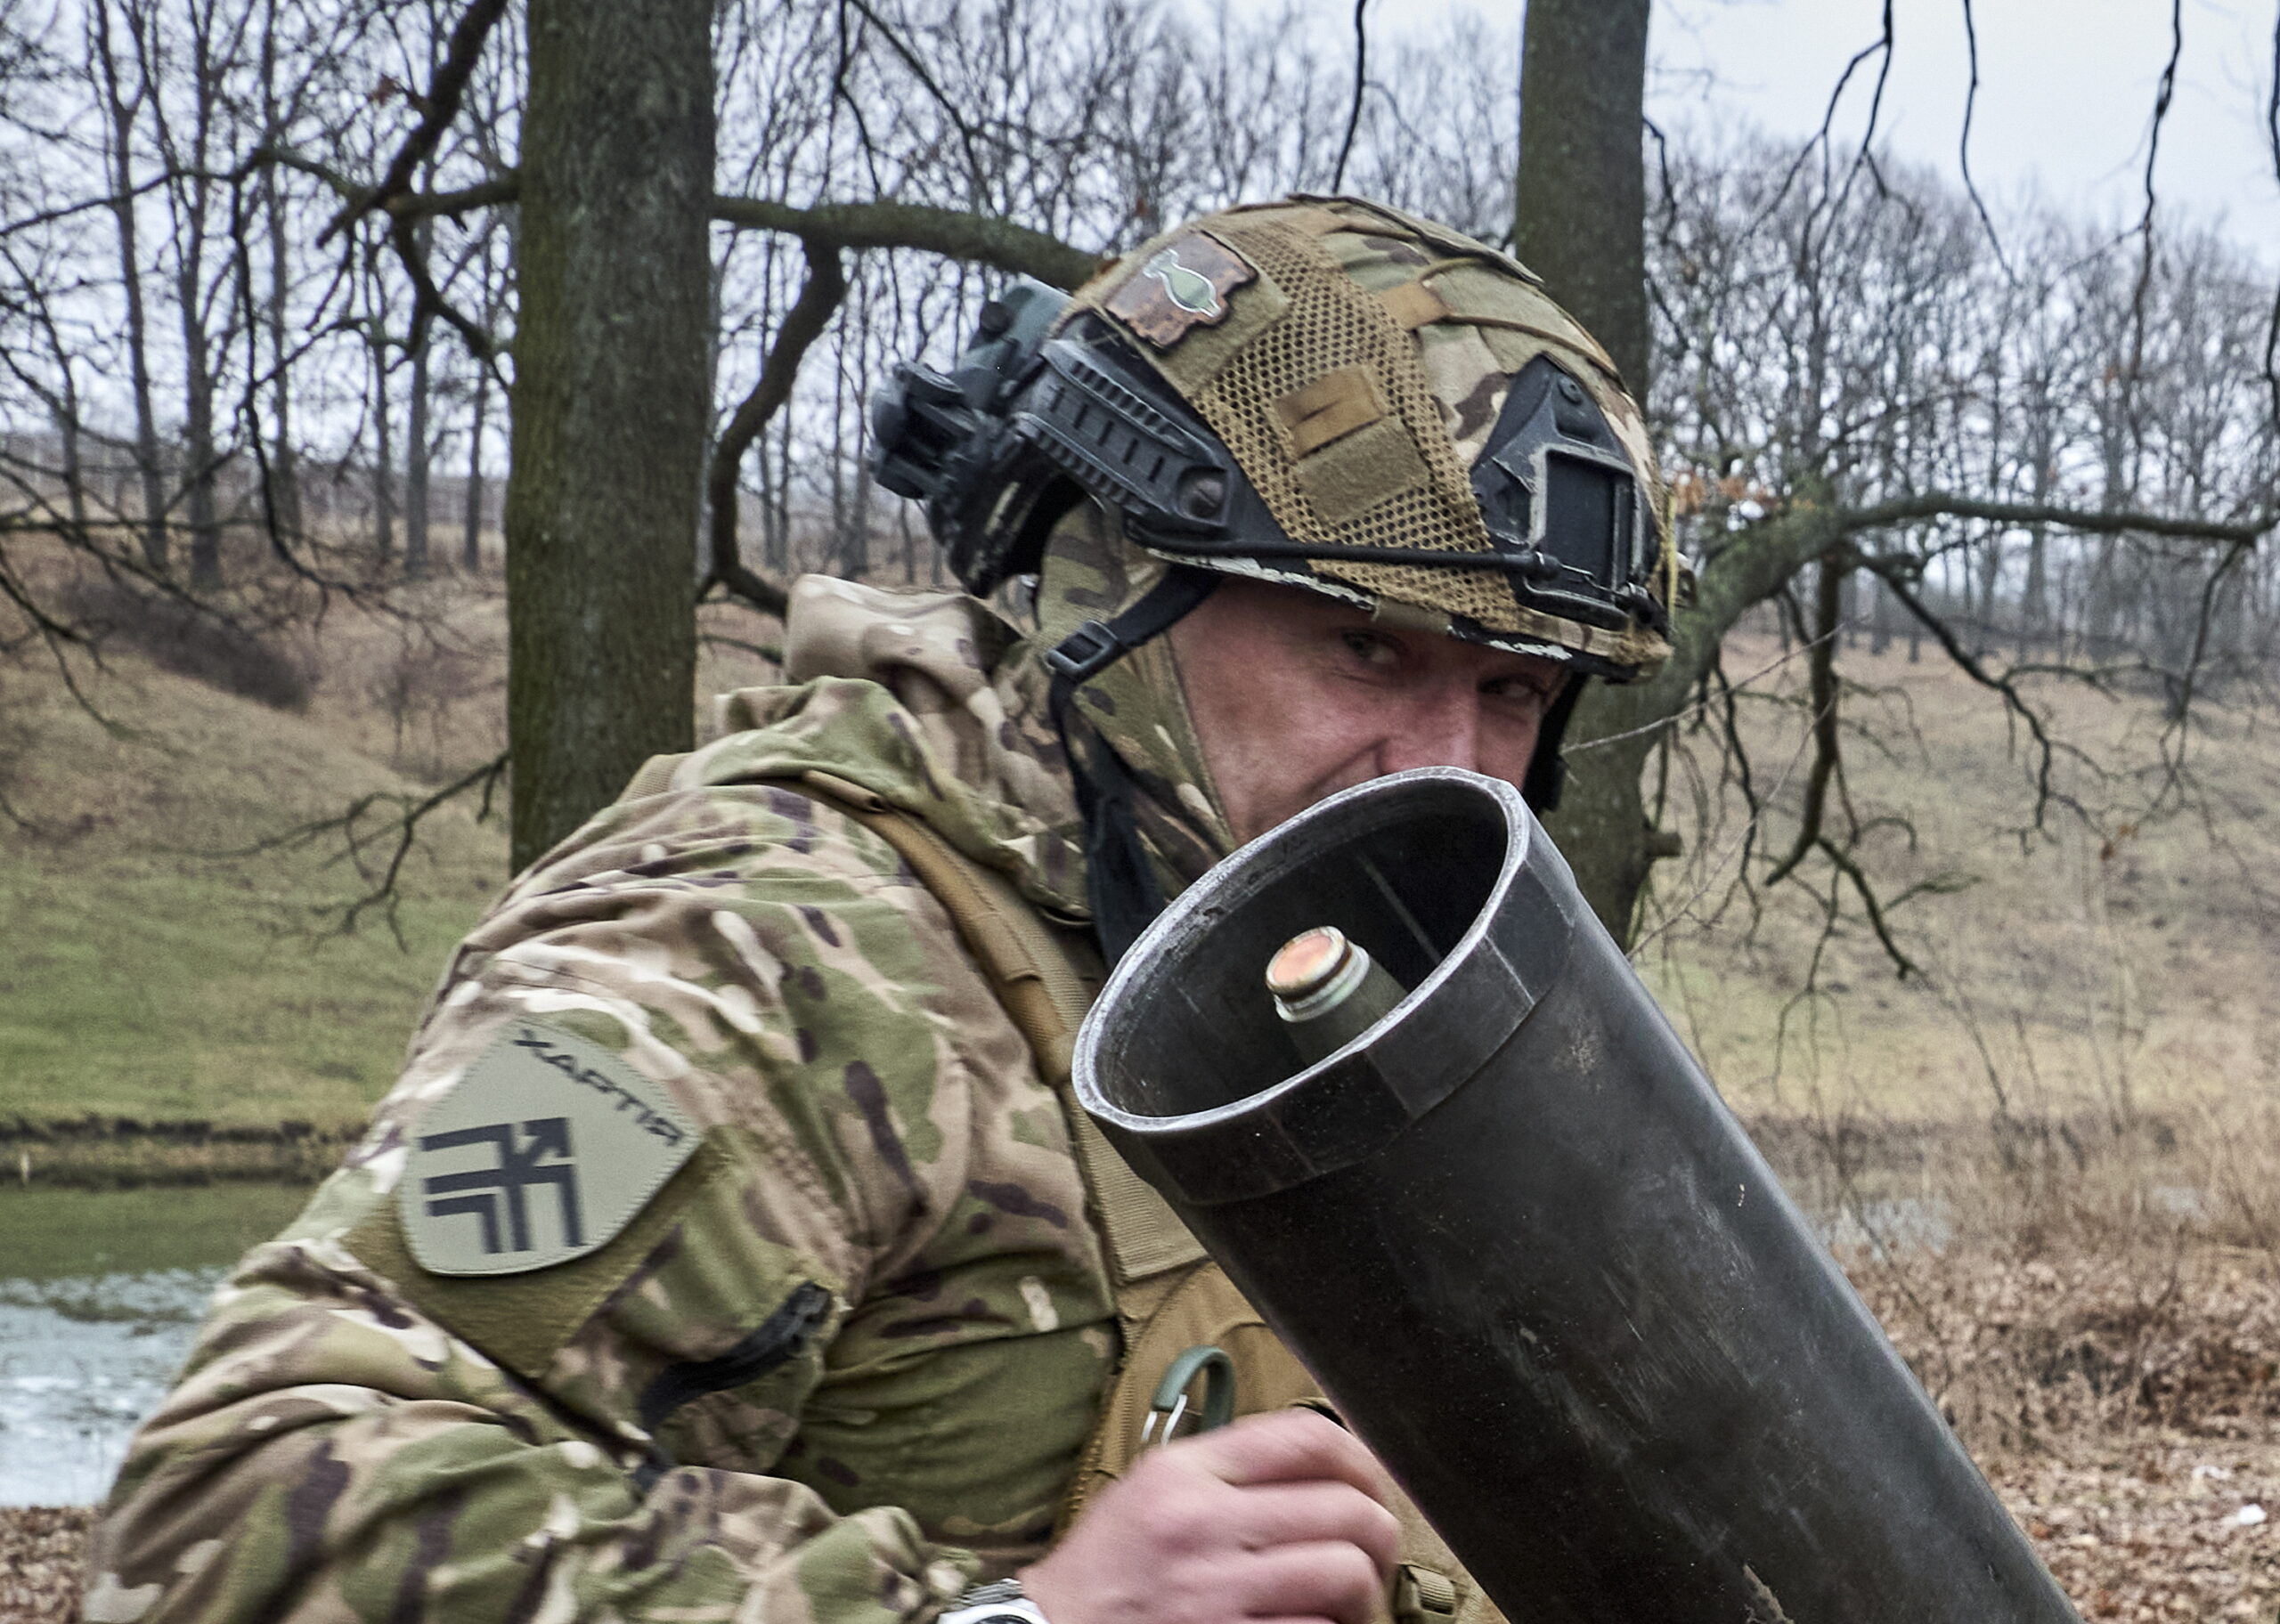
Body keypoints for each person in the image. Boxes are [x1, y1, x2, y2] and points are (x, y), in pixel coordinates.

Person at [84, 194, 1676, 1624]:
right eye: (1368, 650)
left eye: (1513, 692)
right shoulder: (767, 939)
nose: (1446, 771)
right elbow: (230, 1523)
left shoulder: (1357, 995)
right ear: (1123, 588)